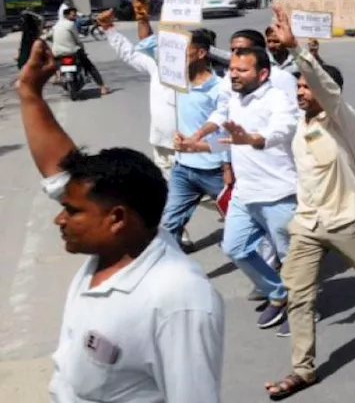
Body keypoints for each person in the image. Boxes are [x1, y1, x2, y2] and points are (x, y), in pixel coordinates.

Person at [16, 39, 223, 403]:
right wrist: (30, 92)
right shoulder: (115, 249)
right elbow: (61, 168)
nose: (59, 219)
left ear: (117, 218)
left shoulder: (177, 298)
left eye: (73, 211)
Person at [264, 8, 355, 400]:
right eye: (298, 89)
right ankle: (303, 370)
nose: (301, 94)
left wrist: (300, 53)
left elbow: (325, 88)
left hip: (346, 219)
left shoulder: (343, 119)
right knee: (299, 294)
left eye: (307, 88)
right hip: (307, 224)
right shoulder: (300, 125)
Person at [186, 46, 300, 331]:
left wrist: (252, 139)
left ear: (262, 73)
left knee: (292, 261)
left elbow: (282, 130)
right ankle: (278, 294)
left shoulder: (279, 99)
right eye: (233, 69)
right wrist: (196, 140)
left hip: (278, 195)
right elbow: (221, 123)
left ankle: (300, 314)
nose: (234, 75)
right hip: (244, 193)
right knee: (234, 247)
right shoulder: (234, 99)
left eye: (242, 70)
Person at [153, 28, 232, 246]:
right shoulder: (179, 82)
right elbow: (150, 49)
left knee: (242, 222)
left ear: (201, 54)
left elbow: (229, 140)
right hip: (182, 170)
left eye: (185, 49)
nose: (178, 55)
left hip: (214, 172)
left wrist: (226, 168)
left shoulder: (220, 89)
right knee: (169, 224)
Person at [101, 0, 176, 178]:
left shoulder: (217, 78)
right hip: (164, 144)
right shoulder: (159, 66)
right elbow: (135, 51)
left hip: (200, 151)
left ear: (201, 52)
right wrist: (109, 28)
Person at [49, 5, 110, 94]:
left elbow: (48, 36)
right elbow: (77, 40)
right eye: (73, 16)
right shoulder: (71, 24)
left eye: (75, 15)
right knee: (89, 66)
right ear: (66, 16)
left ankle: (57, 76)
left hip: (57, 53)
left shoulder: (56, 25)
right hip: (71, 51)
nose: (75, 17)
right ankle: (102, 87)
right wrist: (82, 49)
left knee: (55, 64)